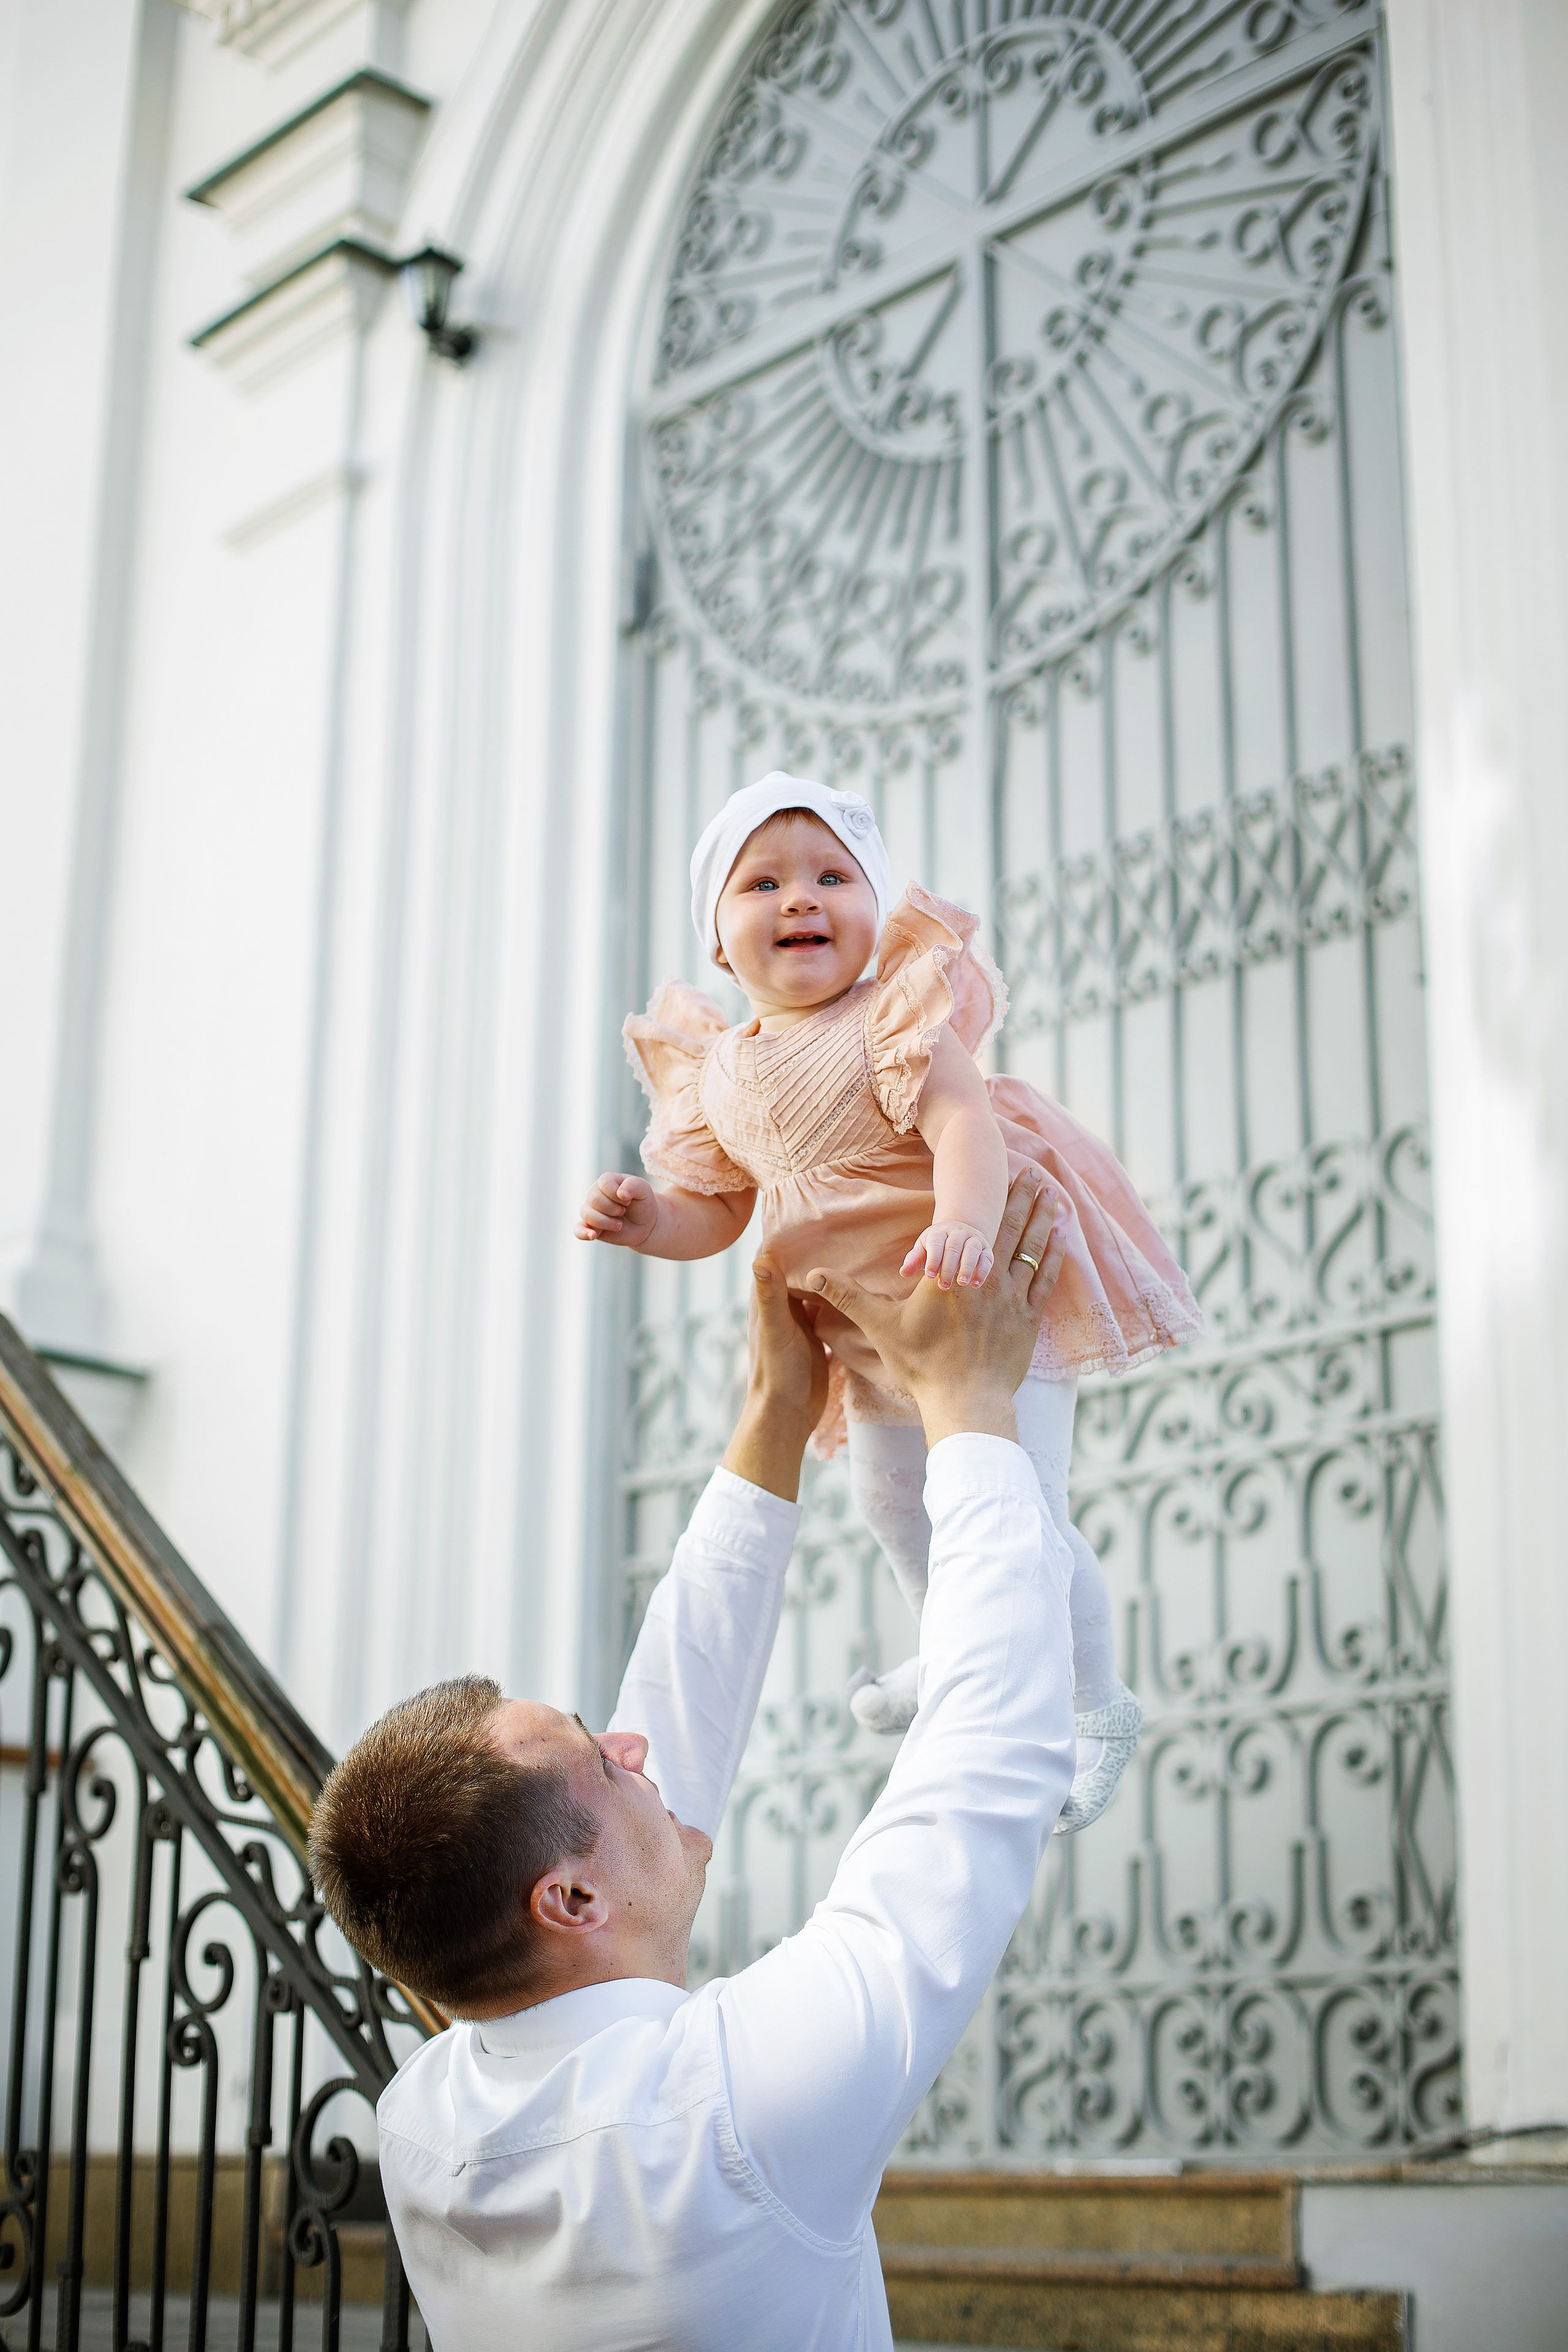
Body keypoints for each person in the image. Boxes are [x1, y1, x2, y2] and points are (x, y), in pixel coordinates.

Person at [311, 1175, 1074, 2351]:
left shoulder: (428, 2121)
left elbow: (665, 1723)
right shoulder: (737, 2109)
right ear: (567, 1899)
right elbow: (985, 1766)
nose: (630, 1744)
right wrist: (970, 1407)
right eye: (604, 1767)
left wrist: (776, 1411)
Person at [577, 771, 1202, 1825]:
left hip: (980, 1299)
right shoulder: (719, 1070)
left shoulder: (890, 1018)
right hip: (865, 1330)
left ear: (874, 908)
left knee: (1026, 1514)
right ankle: (943, 1641)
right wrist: (652, 1224)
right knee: (889, 1501)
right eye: (762, 883)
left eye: (833, 875)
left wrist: (962, 1218)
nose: (801, 899)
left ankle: (1096, 1706)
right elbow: (719, 1210)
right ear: (720, 944)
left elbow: (967, 1124)